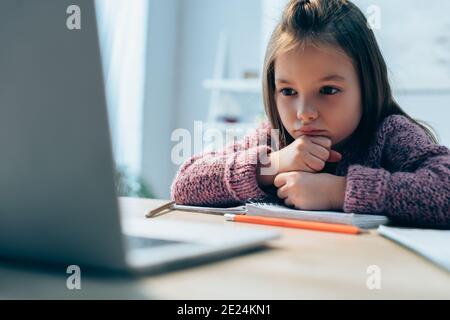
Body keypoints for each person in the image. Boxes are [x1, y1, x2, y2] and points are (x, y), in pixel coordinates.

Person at [171, 0, 450, 228]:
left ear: (367, 86)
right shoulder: (272, 139)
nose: (304, 113)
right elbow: (185, 185)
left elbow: (444, 192)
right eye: (288, 92)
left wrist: (338, 192)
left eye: (328, 90)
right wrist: (272, 166)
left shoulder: (391, 134)